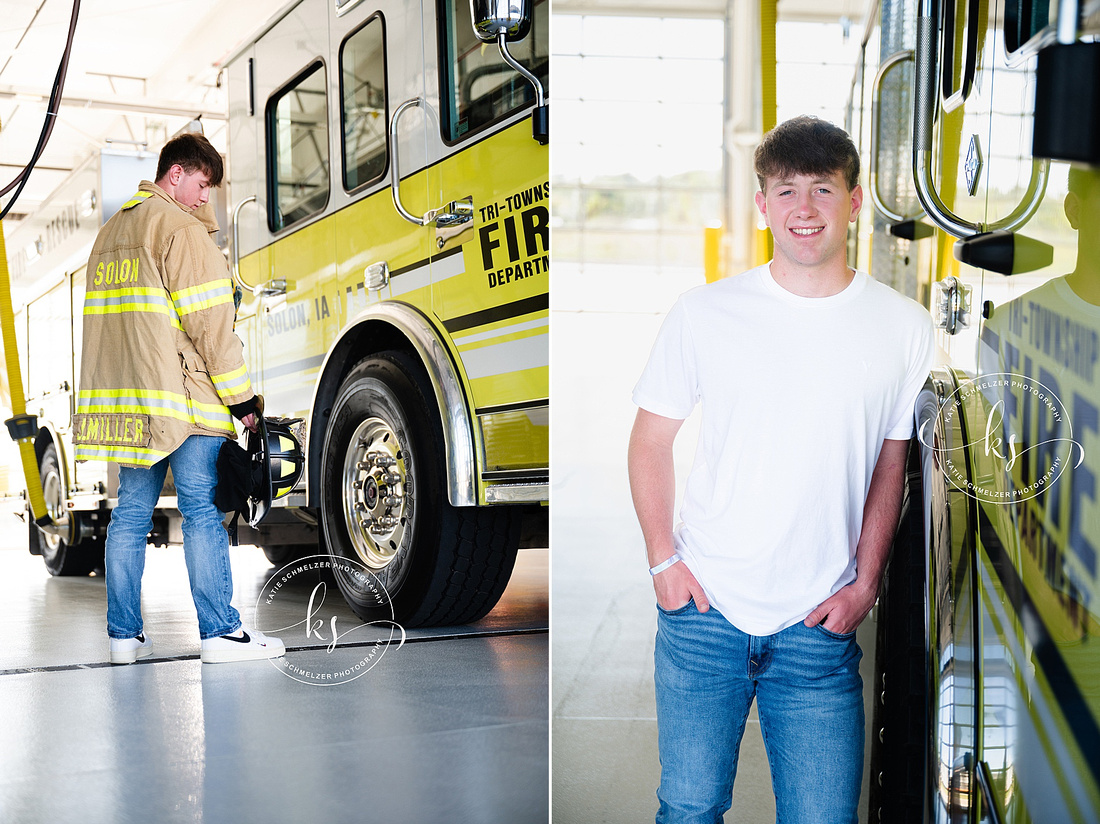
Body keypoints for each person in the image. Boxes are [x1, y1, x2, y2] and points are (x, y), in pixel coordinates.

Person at [627, 115, 934, 824]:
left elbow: (891, 459)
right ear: (761, 204)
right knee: (689, 809)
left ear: (854, 202)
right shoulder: (705, 313)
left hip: (818, 627)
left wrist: (865, 582)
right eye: (786, 190)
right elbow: (650, 441)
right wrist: (663, 562)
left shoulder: (903, 325)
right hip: (704, 613)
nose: (805, 209)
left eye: (823, 190)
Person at [72, 132, 285, 665]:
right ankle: (220, 633)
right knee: (199, 512)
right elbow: (213, 329)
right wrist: (242, 402)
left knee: (129, 516)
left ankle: (122, 638)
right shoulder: (182, 231)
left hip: (133, 408)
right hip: (185, 402)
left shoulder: (111, 233)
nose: (205, 198)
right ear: (175, 175)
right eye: (202, 183)